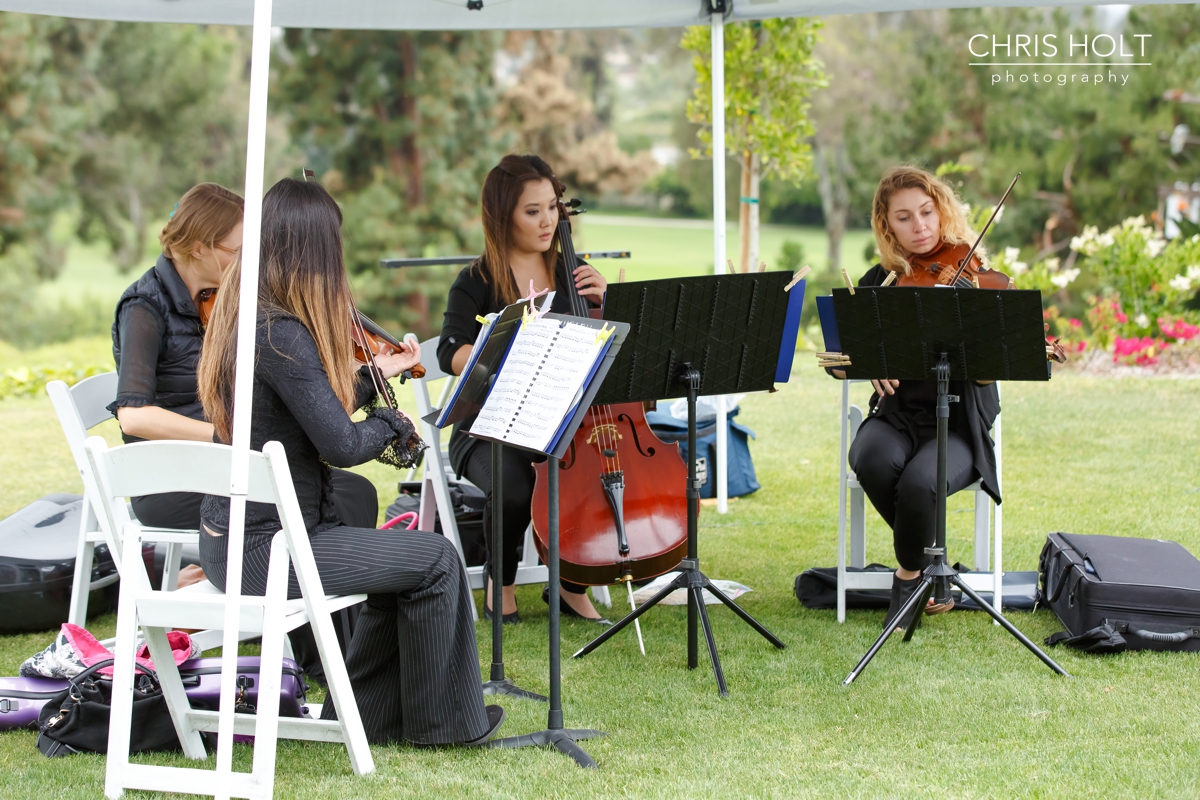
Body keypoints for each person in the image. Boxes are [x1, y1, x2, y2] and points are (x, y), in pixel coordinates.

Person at [196, 177, 501, 747]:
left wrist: (369, 379)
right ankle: (447, 727)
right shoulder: (281, 333)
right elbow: (341, 445)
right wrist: (390, 421)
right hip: (271, 550)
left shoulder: (249, 319)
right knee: (437, 559)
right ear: (313, 250)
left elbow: (312, 408)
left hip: (231, 539)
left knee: (403, 566)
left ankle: (373, 716)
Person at [109, 183, 378, 534]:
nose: (251, 261)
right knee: (326, 498)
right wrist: (227, 439)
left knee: (353, 490)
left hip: (227, 463)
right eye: (239, 251)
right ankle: (288, 581)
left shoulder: (228, 299)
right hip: (171, 479)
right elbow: (134, 417)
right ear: (198, 248)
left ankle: (308, 581)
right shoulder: (144, 308)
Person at [437, 154, 609, 624]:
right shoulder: (476, 281)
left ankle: (573, 585)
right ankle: (502, 582)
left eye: (552, 207)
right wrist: (490, 350)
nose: (548, 220)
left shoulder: (575, 271)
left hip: (562, 425)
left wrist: (608, 300)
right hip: (489, 429)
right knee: (513, 483)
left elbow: (605, 345)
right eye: (532, 211)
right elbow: (448, 350)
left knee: (593, 475)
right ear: (502, 215)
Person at [832, 165, 1001, 634]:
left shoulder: (975, 276)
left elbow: (992, 374)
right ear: (888, 227)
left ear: (942, 211)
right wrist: (870, 361)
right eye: (904, 218)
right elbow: (845, 357)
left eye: (926, 212)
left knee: (919, 484)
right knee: (871, 459)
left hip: (959, 424)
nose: (920, 226)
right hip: (897, 418)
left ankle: (909, 578)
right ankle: (935, 560)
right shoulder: (879, 283)